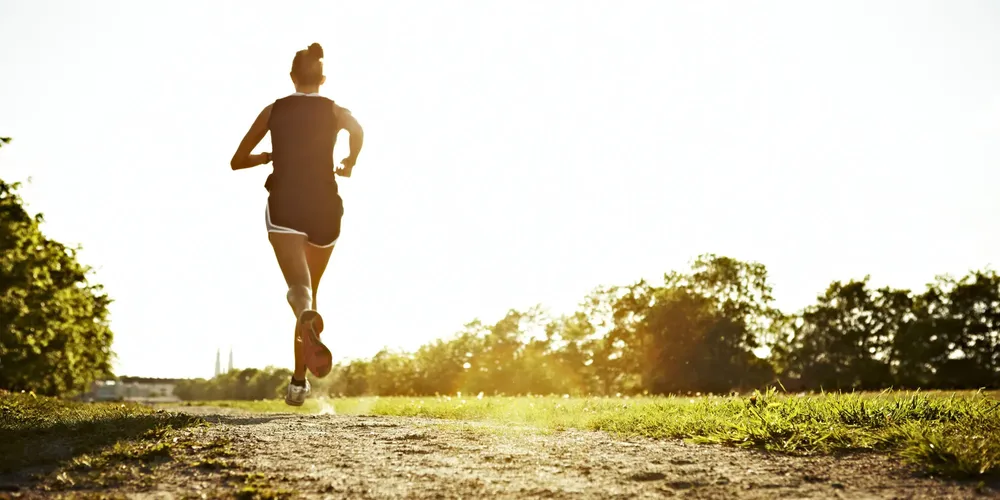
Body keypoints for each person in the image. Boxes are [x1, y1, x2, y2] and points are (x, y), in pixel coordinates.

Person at [229, 42, 364, 406]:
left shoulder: (274, 110)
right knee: (311, 293)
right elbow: (358, 130)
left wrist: (266, 156)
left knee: (300, 291)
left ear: (292, 77)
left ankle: (304, 322)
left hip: (287, 204)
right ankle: (298, 381)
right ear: (323, 78)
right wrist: (349, 161)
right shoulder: (336, 110)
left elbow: (236, 160)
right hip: (326, 208)